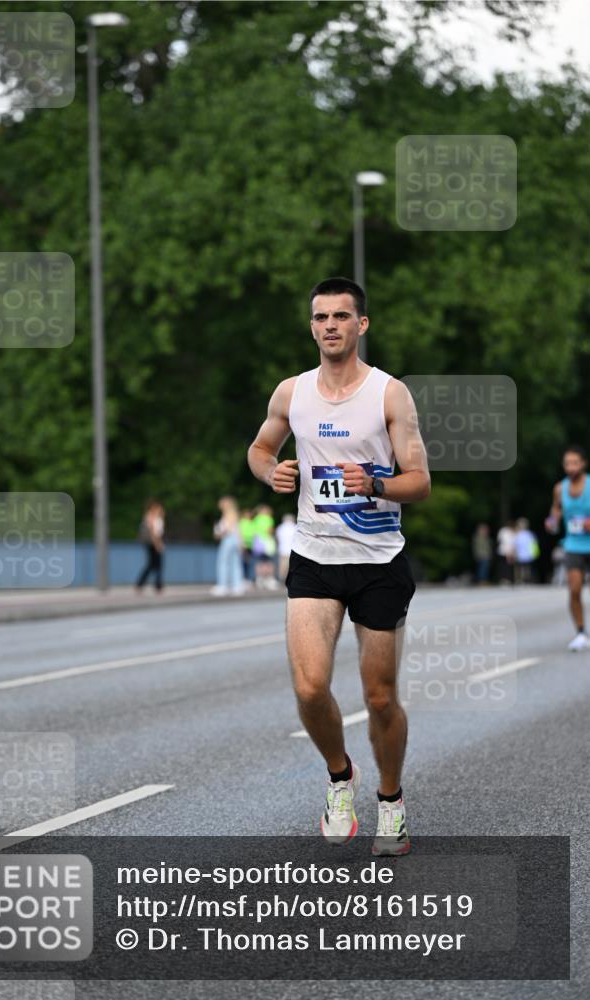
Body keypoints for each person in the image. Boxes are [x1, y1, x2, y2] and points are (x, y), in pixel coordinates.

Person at [247, 276, 430, 855]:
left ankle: (392, 800)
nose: (330, 326)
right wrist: (269, 472)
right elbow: (259, 449)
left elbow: (420, 482)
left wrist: (377, 482)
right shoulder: (291, 393)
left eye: (341, 317)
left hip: (378, 561)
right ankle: (339, 775)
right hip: (315, 556)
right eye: (321, 317)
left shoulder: (389, 395)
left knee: (379, 698)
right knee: (308, 687)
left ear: (361, 325)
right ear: (312, 326)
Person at [545, 445, 590, 651]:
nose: (570, 467)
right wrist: (552, 521)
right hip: (573, 544)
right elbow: (556, 510)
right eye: (567, 463)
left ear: (583, 464)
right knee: (574, 590)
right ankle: (581, 633)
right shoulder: (559, 489)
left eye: (575, 463)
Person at [212, 496, 245, 596]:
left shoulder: (228, 513)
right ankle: (237, 585)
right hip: (234, 539)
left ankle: (223, 585)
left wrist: (218, 532)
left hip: (228, 539)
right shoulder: (233, 513)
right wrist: (240, 542)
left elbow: (228, 528)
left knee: (223, 562)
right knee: (234, 563)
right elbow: (237, 529)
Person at [135, 500, 165, 593]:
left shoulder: (152, 517)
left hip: (150, 543)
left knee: (152, 564)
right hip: (153, 543)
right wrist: (158, 544)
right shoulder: (152, 518)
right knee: (156, 564)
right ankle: (156, 585)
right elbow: (154, 533)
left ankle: (142, 584)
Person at [513, 517, 539, 584]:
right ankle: (524, 580)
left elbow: (515, 545)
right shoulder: (528, 534)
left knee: (523, 568)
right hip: (525, 555)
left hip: (524, 555)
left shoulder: (519, 534)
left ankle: (523, 580)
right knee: (525, 568)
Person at [276, 513, 297, 582]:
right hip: (293, 550)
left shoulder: (280, 528)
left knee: (282, 566)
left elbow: (277, 538)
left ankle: (281, 579)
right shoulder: (295, 527)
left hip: (282, 549)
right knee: (292, 566)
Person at [238, 509, 256, 586]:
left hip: (250, 545)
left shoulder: (252, 523)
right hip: (243, 545)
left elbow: (254, 533)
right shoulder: (242, 522)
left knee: (248, 563)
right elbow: (240, 533)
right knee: (243, 562)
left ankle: (247, 578)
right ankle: (243, 578)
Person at [496, 520, 516, 585]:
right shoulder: (508, 532)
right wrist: (509, 552)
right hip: (505, 551)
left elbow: (499, 540)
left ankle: (506, 579)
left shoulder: (503, 531)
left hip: (505, 551)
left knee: (505, 566)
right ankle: (506, 579)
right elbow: (507, 542)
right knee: (506, 566)